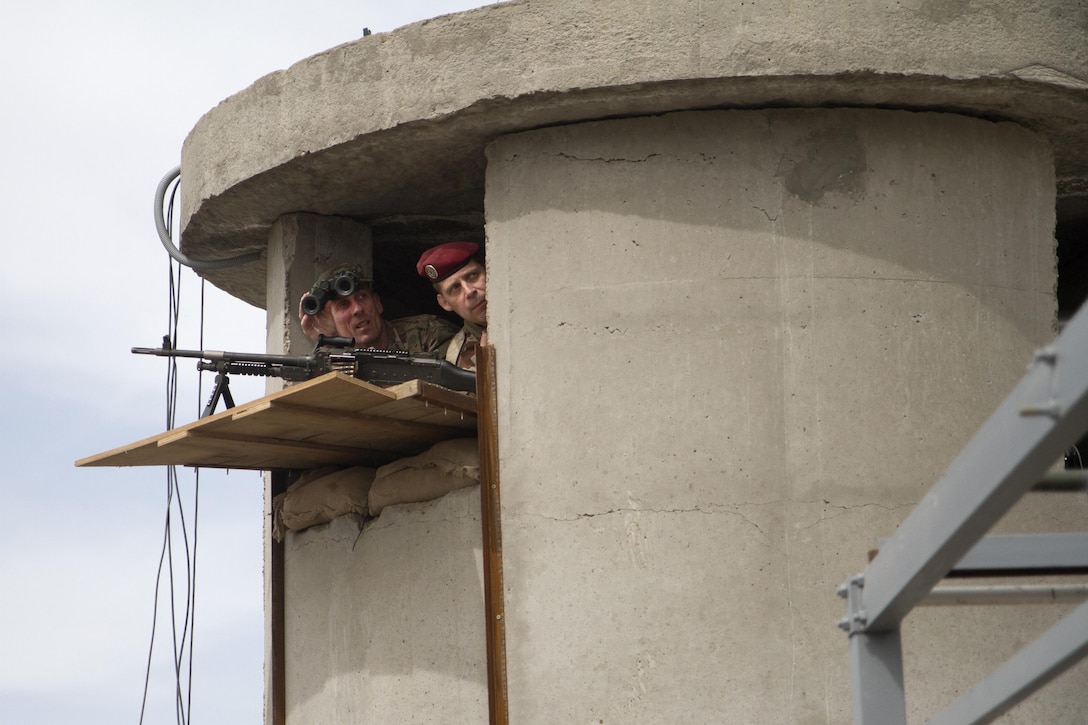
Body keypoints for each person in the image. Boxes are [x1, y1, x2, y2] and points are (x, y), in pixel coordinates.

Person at [298, 263, 457, 354]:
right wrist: (327, 343)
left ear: (377, 303)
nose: (357, 309)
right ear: (331, 319)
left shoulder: (427, 333)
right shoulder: (337, 361)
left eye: (362, 297)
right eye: (343, 305)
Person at [416, 242, 487, 371]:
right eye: (455, 288)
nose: (469, 291)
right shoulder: (457, 356)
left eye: (473, 276)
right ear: (445, 303)